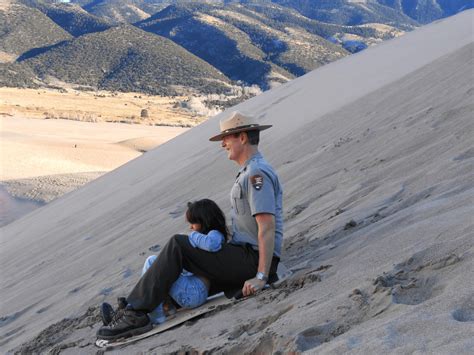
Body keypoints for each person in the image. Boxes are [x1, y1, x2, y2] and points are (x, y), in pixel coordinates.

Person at [96, 111, 283, 340]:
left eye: (227, 138)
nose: (223, 144)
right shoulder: (248, 172)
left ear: (242, 138)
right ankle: (134, 309)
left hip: (252, 260)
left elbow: (267, 226)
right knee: (178, 263)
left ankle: (135, 314)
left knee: (178, 244)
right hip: (242, 256)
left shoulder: (256, 174)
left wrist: (261, 276)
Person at [100, 199, 227, 328]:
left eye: (193, 223)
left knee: (152, 261)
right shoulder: (204, 237)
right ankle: (139, 308)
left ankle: (154, 316)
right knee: (159, 269)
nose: (191, 227)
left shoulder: (214, 234)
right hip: (191, 290)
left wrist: (191, 236)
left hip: (196, 292)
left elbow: (212, 244)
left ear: (204, 220)